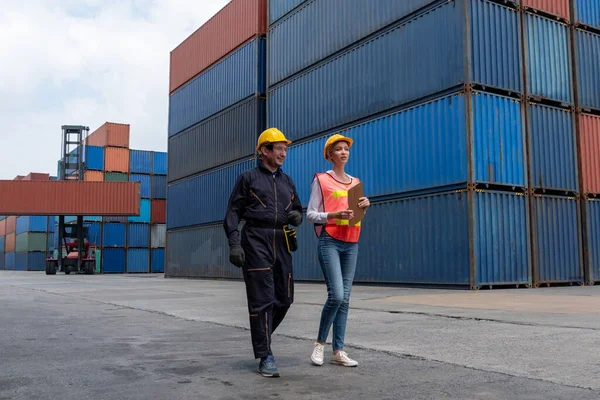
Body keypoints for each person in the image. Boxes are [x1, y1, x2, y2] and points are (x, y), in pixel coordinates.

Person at [223, 127, 303, 378]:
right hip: (255, 239)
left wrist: (296, 217)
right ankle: (265, 354)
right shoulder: (248, 178)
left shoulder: (288, 181)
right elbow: (232, 213)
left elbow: (298, 209)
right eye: (279, 148)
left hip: (281, 241)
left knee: (285, 299)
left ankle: (262, 338)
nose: (284, 153)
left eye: (285, 149)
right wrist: (234, 243)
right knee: (262, 300)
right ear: (264, 151)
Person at [306, 133, 370, 368]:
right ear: (329, 155)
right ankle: (319, 344)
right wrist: (333, 215)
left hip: (351, 242)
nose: (344, 152)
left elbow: (357, 214)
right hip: (330, 240)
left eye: (346, 149)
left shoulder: (356, 183)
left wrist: (365, 205)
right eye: (338, 149)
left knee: (346, 300)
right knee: (337, 295)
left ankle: (338, 351)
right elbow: (310, 215)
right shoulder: (321, 180)